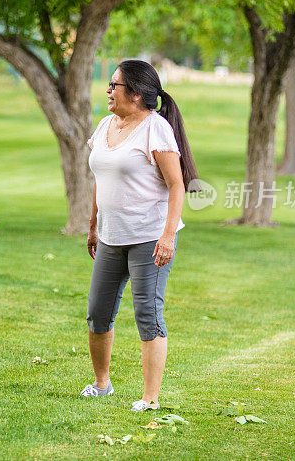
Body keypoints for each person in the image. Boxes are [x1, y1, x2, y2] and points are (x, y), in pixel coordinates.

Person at [81, 59, 198, 410]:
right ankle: (102, 384)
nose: (108, 90)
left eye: (113, 85)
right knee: (98, 314)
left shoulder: (156, 128)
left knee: (148, 313)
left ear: (134, 94)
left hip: (149, 237)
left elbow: (177, 185)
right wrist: (92, 225)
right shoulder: (104, 125)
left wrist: (168, 236)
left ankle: (150, 399)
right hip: (111, 236)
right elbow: (100, 181)